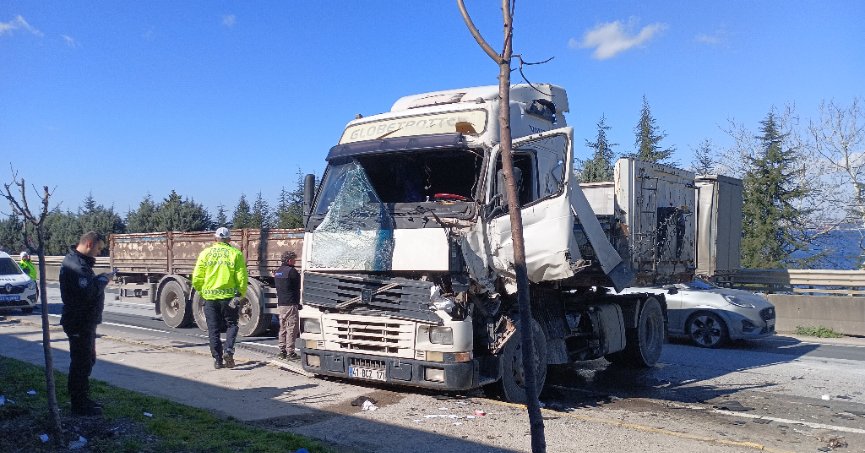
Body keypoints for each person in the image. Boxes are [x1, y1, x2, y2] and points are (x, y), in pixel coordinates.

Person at [59, 231, 112, 417]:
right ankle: (79, 404)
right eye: (98, 249)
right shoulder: (76, 265)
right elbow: (87, 293)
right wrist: (103, 280)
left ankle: (82, 398)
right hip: (79, 322)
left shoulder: (78, 262)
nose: (98, 253)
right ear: (89, 244)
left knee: (87, 360)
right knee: (81, 363)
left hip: (85, 322)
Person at [192, 227, 248, 369]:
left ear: (214, 238)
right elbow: (242, 278)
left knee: (213, 329)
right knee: (232, 324)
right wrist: (240, 294)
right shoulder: (236, 254)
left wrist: (203, 292)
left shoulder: (205, 253)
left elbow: (197, 278)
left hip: (210, 298)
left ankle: (217, 360)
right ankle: (228, 350)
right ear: (229, 239)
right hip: (229, 298)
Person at [274, 251, 301, 360]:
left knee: (283, 327)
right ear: (289, 260)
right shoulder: (292, 271)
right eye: (294, 259)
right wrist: (298, 303)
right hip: (290, 304)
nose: (295, 261)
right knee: (292, 328)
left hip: (281, 304)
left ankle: (282, 351)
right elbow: (297, 288)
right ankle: (290, 352)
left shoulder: (278, 272)